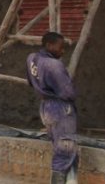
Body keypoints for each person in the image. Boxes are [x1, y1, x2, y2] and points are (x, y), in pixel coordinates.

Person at [27, 32, 78, 184]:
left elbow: (30, 81)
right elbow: (68, 92)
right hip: (60, 109)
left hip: (45, 107)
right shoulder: (54, 65)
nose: (63, 51)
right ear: (49, 45)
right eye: (60, 47)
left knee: (64, 149)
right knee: (65, 151)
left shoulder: (32, 58)